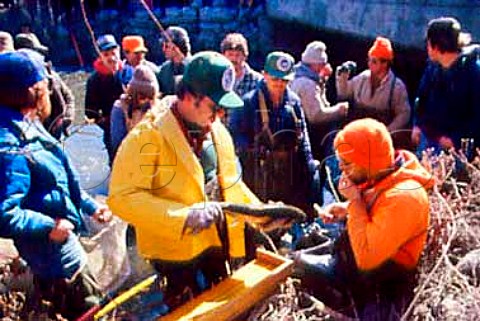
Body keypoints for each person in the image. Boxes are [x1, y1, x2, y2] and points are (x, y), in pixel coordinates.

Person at [108, 51, 281, 308]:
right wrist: (183, 217)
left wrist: (261, 214)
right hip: (175, 258)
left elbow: (231, 184)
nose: (220, 115)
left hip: (215, 244)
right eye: (215, 107)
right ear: (189, 97)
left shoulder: (218, 132)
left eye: (223, 109)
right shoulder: (147, 138)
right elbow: (122, 199)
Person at [0, 51, 112, 320]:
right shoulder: (11, 148)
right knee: (92, 311)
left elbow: (61, 179)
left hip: (59, 253)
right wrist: (49, 226)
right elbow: (5, 213)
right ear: (32, 91)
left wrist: (89, 205)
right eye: (45, 85)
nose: (50, 90)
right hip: (58, 263)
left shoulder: (26, 124)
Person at [299, 118, 433, 318]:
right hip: (357, 259)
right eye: (339, 161)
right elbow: (379, 205)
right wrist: (346, 209)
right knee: (296, 256)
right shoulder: (386, 172)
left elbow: (367, 259)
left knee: (297, 267)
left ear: (368, 162)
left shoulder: (405, 197)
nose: (342, 168)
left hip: (380, 280)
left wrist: (354, 202)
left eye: (347, 163)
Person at [229, 51, 320, 216]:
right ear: (264, 75)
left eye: (284, 80)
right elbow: (235, 135)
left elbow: (303, 137)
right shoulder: (248, 102)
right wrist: (252, 150)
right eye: (275, 79)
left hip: (288, 173)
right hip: (257, 175)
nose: (279, 84)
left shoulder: (294, 102)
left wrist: (309, 166)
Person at [412, 17, 480, 154]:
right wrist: (417, 125)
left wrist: (456, 140)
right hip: (429, 140)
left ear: (436, 46)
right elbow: (421, 99)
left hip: (458, 149)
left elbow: (478, 118)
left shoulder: (474, 73)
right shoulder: (432, 68)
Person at [336, 37, 411, 143]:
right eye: (369, 60)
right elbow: (343, 94)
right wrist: (342, 78)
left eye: (374, 61)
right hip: (358, 135)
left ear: (385, 64)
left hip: (379, 140)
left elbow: (404, 115)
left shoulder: (396, 87)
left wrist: (386, 132)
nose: (369, 64)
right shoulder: (362, 78)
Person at [290, 40, 348, 162]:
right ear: (316, 64)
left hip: (296, 129)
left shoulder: (297, 74)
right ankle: (331, 164)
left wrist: (323, 80)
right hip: (308, 134)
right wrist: (340, 110)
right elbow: (316, 116)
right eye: (323, 64)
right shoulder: (308, 85)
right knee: (334, 131)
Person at [15, 33, 75, 140]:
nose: (39, 56)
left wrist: (66, 119)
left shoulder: (51, 74)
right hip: (24, 136)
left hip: (53, 133)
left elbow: (68, 97)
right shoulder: (11, 82)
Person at [85, 34, 124, 160]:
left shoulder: (129, 72)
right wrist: (109, 124)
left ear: (119, 50)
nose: (111, 57)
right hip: (111, 132)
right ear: (100, 56)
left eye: (113, 52)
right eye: (106, 54)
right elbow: (90, 113)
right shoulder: (94, 81)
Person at [110, 64, 160, 158]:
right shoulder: (119, 109)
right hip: (129, 156)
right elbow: (117, 144)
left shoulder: (159, 108)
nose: (146, 100)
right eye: (142, 96)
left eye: (150, 96)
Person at [220, 32, 262, 98]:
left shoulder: (257, 80)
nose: (233, 59)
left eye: (237, 55)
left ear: (245, 56)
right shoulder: (218, 78)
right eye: (230, 54)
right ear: (223, 56)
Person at [157, 26, 191, 95]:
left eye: (167, 46)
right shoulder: (164, 70)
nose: (163, 50)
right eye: (162, 46)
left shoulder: (194, 67)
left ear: (177, 48)